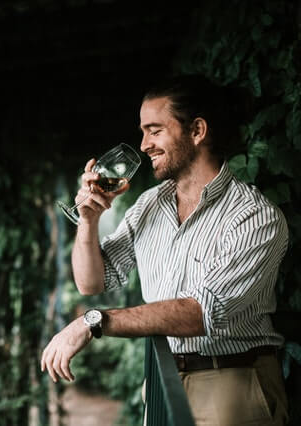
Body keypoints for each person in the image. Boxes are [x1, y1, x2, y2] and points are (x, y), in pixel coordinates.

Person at [40, 75, 289, 425]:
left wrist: (94, 321)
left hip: (233, 381)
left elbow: (200, 312)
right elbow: (91, 282)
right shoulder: (149, 204)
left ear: (197, 130)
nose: (143, 145)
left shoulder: (254, 216)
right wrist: (88, 221)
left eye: (154, 130)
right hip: (161, 379)